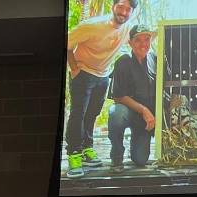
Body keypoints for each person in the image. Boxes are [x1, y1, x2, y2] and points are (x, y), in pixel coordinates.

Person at [65, 0, 140, 178]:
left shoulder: (127, 28)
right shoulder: (92, 26)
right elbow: (67, 43)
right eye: (120, 6)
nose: (123, 12)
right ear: (113, 6)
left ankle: (86, 148)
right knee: (78, 113)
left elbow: (142, 39)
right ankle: (74, 154)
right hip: (82, 73)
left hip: (103, 75)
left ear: (131, 12)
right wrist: (74, 69)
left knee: (92, 114)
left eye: (128, 9)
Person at [107, 25, 157, 172]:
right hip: (129, 113)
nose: (143, 44)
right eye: (138, 40)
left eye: (147, 39)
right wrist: (143, 110)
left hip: (146, 120)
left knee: (140, 160)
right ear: (130, 43)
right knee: (116, 113)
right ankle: (117, 156)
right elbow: (118, 97)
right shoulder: (123, 61)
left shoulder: (155, 59)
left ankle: (136, 143)